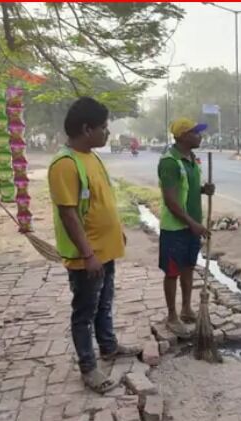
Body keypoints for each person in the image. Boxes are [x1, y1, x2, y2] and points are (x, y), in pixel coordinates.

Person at [48, 97, 140, 394]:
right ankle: (88, 367)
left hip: (105, 250)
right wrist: (88, 254)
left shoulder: (92, 156)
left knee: (105, 304)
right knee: (85, 312)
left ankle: (109, 346)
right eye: (103, 127)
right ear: (87, 129)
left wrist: (117, 232)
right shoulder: (65, 164)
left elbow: (101, 200)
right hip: (87, 256)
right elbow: (68, 212)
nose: (108, 132)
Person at [158, 117, 215, 337]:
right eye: (194, 133)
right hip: (175, 229)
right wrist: (193, 224)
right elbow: (171, 201)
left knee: (188, 268)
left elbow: (188, 189)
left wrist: (203, 189)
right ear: (182, 136)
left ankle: (186, 308)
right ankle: (172, 316)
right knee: (172, 272)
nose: (199, 136)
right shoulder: (170, 162)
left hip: (192, 226)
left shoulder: (191, 159)